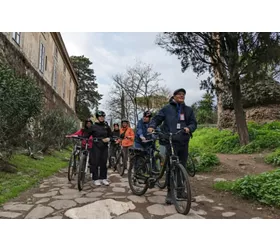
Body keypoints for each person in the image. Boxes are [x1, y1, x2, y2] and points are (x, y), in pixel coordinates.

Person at [148, 88, 197, 204]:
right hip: (170, 141)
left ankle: (181, 191)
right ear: (174, 96)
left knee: (182, 167)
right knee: (171, 168)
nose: (181, 96)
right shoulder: (166, 109)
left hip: (183, 141)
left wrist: (189, 128)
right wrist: (152, 126)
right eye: (179, 94)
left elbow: (193, 123)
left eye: (183, 95)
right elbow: (157, 119)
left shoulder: (188, 110)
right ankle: (170, 194)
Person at [85, 110, 112, 186]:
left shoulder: (106, 126)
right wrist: (82, 138)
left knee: (104, 162)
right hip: (96, 146)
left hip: (104, 146)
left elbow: (111, 135)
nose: (102, 118)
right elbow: (87, 135)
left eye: (103, 117)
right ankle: (95, 178)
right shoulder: (93, 126)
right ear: (97, 117)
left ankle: (103, 178)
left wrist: (109, 139)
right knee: (95, 162)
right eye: (100, 117)